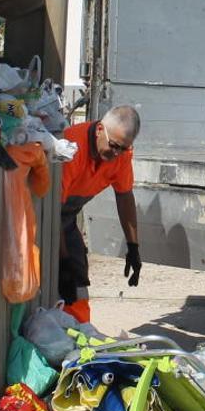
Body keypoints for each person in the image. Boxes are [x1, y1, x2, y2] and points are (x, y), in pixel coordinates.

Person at [59, 105, 142, 323]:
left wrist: (133, 247)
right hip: (41, 215)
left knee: (77, 276)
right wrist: (63, 260)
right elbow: (53, 213)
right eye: (114, 146)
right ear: (99, 130)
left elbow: (124, 196)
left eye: (123, 149)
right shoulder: (71, 147)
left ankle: (79, 330)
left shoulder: (121, 154)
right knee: (58, 272)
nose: (117, 154)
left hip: (65, 218)